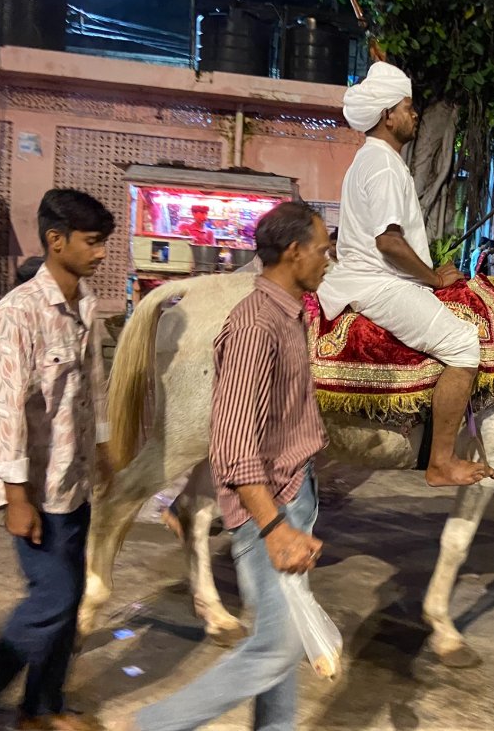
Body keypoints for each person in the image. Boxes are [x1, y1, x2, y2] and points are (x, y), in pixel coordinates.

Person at [125, 201, 331, 731]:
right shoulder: (254, 326)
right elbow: (234, 445)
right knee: (273, 648)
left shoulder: (287, 314)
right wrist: (275, 528)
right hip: (271, 506)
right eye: (323, 249)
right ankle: (154, 725)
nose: (328, 259)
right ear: (293, 252)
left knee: (279, 644)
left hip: (290, 492)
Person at [0, 190, 115, 731]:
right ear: (56, 241)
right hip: (37, 490)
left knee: (70, 602)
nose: (100, 254)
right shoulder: (18, 313)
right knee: (51, 598)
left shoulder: (87, 304)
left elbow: (94, 386)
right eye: (92, 243)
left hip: (75, 484)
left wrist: (103, 454)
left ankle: (42, 708)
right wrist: (16, 498)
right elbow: (5, 411)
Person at [317, 61, 494, 487]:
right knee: (464, 342)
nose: (415, 115)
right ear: (387, 116)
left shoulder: (380, 160)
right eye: (409, 107)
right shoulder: (381, 164)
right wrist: (433, 279)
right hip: (377, 283)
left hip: (377, 278)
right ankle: (441, 462)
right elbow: (389, 242)